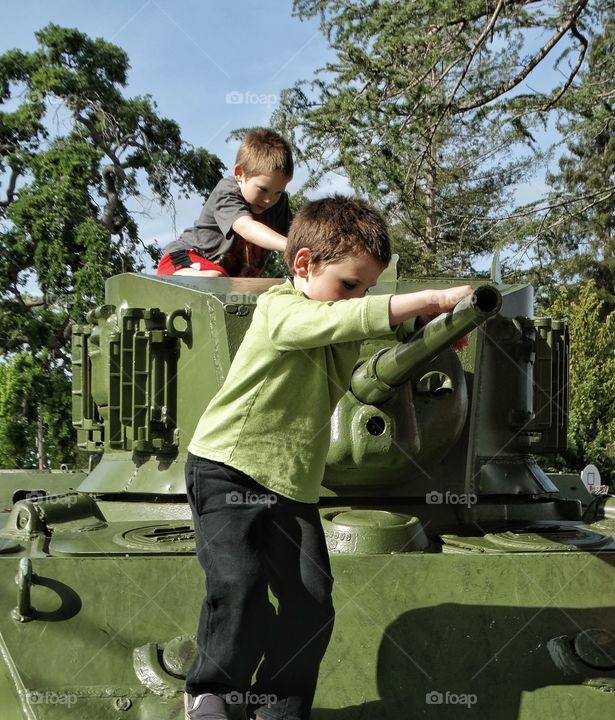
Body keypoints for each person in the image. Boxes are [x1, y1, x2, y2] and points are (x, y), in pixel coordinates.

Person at [182, 195, 473, 720]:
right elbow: (349, 321)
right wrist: (427, 297)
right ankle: (210, 692)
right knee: (239, 584)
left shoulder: (339, 312)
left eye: (365, 288)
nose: (356, 298)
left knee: (311, 604)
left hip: (292, 485)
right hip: (227, 466)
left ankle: (277, 708)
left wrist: (439, 331)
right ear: (302, 264)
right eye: (348, 284)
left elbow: (380, 327)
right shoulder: (280, 309)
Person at [157, 128, 293, 278]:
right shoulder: (228, 191)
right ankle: (172, 281)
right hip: (185, 258)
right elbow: (246, 227)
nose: (269, 200)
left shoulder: (279, 204)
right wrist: (292, 246)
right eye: (262, 189)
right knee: (216, 277)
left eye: (278, 193)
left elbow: (300, 237)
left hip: (228, 281)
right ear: (240, 174)